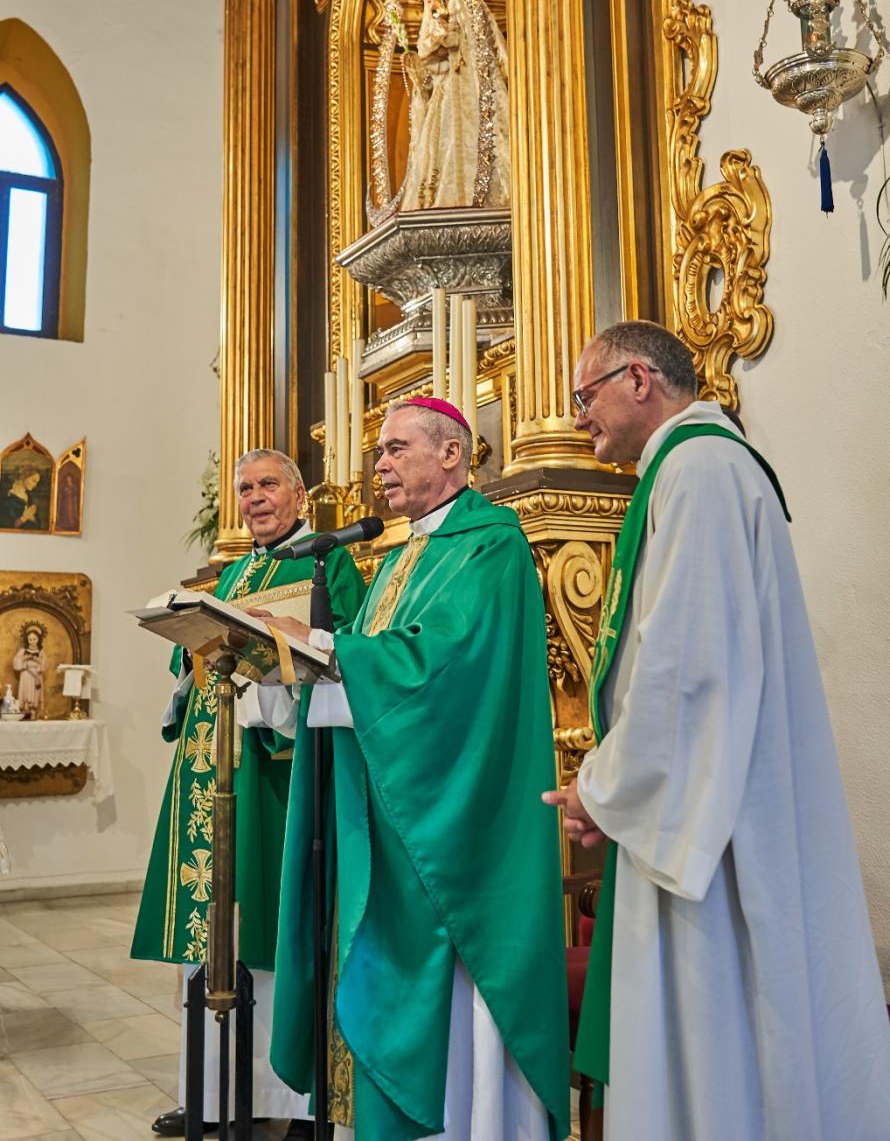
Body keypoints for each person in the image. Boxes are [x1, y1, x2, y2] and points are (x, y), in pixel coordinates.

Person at [543, 321, 890, 1141]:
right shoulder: (694, 468)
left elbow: (686, 670)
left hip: (718, 828)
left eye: (584, 396)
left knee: (721, 1034)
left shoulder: (697, 470)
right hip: (717, 799)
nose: (578, 416)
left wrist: (602, 787)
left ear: (638, 380)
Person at [264, 398, 569, 1141]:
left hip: (453, 829)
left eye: (397, 448)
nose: (380, 465)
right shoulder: (399, 555)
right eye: (377, 451)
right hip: (387, 823)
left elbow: (448, 667)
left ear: (454, 455)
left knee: (457, 1021)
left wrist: (333, 654)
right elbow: (375, 668)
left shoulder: (490, 545)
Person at [131, 448, 366, 1138]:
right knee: (208, 941)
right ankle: (205, 1091)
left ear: (300, 495)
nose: (255, 498)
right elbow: (199, 658)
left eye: (268, 485)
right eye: (244, 488)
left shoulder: (329, 565)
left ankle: (291, 1102)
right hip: (210, 773)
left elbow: (337, 657)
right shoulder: (235, 570)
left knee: (269, 934)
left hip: (273, 776)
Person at [398, 0, 510, 213]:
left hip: (463, 89)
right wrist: (417, 66)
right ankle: (431, 200)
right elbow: (429, 57)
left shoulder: (460, 17)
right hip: (443, 92)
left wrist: (443, 30)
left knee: (459, 139)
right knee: (436, 145)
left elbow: (458, 44)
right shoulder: (434, 22)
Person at [13, 621, 47, 711]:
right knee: (26, 691)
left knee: (35, 692)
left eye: (34, 639)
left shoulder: (41, 651)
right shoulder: (23, 650)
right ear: (27, 640)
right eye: (30, 639)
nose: (32, 641)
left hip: (36, 674)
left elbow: (45, 663)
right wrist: (24, 658)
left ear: (38, 639)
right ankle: (25, 709)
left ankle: (33, 712)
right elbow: (16, 661)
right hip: (26, 674)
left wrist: (38, 660)